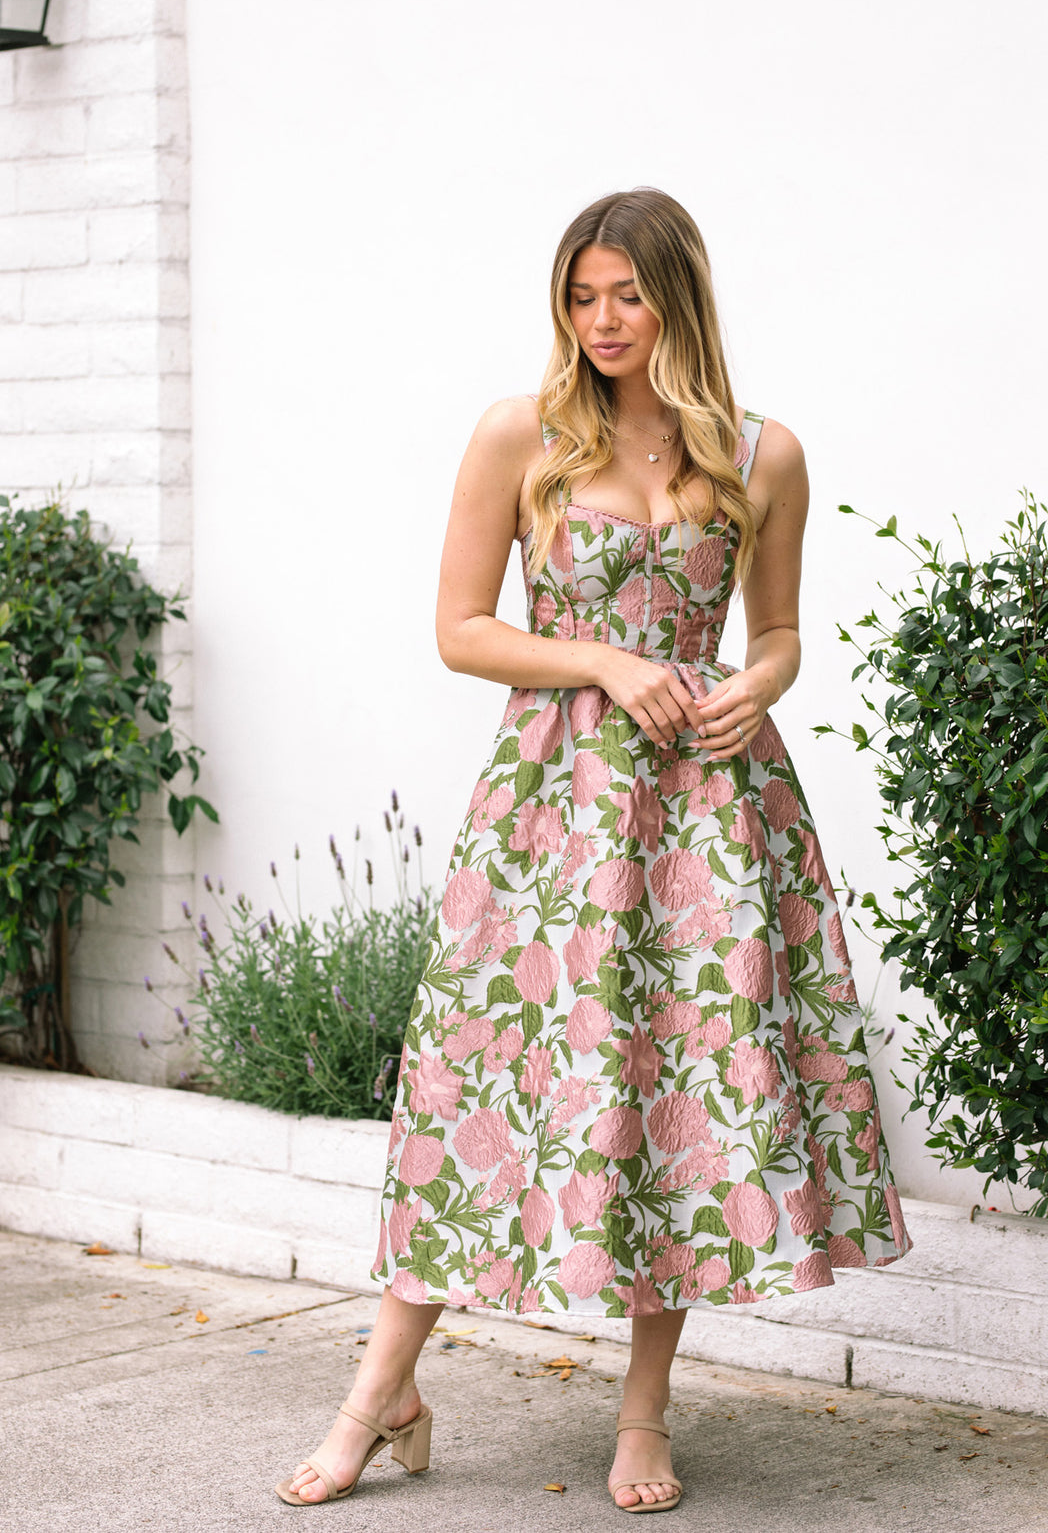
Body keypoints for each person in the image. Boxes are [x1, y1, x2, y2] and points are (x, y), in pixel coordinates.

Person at [276, 187, 912, 1514]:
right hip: (552, 814)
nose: (603, 320)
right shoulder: (524, 433)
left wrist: (759, 682)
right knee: (479, 1083)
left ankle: (643, 1416)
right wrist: (608, 663)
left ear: (678, 298)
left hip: (712, 814)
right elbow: (462, 628)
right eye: (582, 295)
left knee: (673, 1094)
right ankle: (377, 1394)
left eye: (628, 295)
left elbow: (779, 630)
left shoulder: (765, 453)